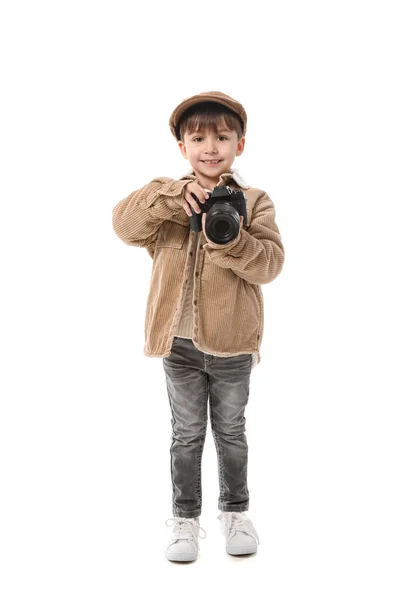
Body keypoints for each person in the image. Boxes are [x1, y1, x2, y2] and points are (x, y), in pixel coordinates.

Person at [112, 91, 285, 562]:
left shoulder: (253, 200)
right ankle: (185, 522)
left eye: (222, 137)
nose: (211, 147)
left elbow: (270, 264)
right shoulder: (170, 202)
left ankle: (235, 512)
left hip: (232, 343)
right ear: (182, 147)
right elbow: (123, 227)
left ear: (240, 145)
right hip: (178, 343)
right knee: (185, 435)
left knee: (231, 432)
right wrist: (170, 195)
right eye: (198, 137)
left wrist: (230, 239)